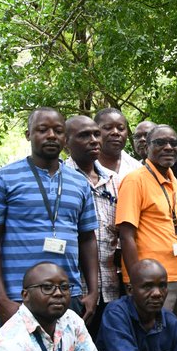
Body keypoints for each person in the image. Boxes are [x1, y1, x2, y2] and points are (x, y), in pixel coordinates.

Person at [0, 108, 100, 327]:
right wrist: (1, 299)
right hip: (20, 297)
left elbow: (87, 238)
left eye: (58, 130)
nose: (51, 135)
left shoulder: (80, 182)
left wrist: (93, 291)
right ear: (28, 134)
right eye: (42, 130)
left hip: (67, 294)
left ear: (65, 138)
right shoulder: (2, 179)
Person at [116, 124, 177, 322]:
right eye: (160, 142)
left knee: (171, 334)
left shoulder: (174, 181)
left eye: (173, 143)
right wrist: (135, 278)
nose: (168, 147)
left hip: (176, 274)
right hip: (148, 280)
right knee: (150, 337)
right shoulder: (135, 180)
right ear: (146, 146)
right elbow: (126, 234)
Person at [64, 115, 121, 333]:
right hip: (77, 289)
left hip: (112, 286)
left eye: (96, 134)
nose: (94, 140)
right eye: (84, 135)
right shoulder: (61, 179)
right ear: (66, 142)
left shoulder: (114, 180)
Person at [94, 108, 142, 178]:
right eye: (108, 128)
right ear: (95, 131)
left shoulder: (137, 169)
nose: (115, 132)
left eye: (121, 128)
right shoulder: (79, 167)